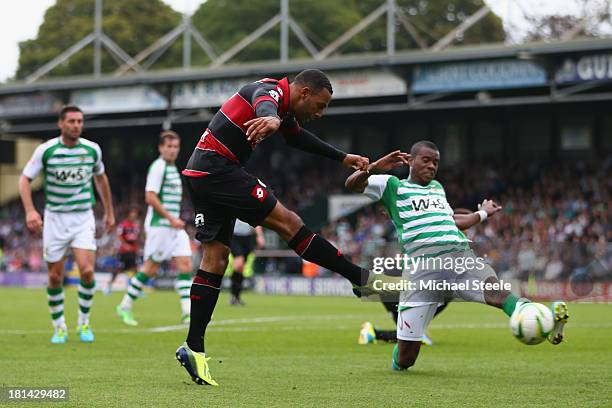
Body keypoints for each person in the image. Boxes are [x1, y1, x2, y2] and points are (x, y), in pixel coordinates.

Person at [175, 69, 389, 386]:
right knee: (290, 224)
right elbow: (265, 105)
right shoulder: (270, 93)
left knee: (216, 257)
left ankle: (194, 347)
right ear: (303, 93)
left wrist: (342, 157)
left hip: (201, 173)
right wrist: (271, 119)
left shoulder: (280, 101)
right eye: (319, 105)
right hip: (218, 171)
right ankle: (359, 278)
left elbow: (295, 135)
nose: (319, 113)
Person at [345, 142, 569, 371]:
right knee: (406, 358)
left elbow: (452, 220)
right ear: (411, 161)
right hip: (422, 267)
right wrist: (375, 166)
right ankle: (399, 355)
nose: (432, 166)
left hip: (458, 255)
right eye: (426, 160)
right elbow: (351, 184)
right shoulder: (391, 185)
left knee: (495, 291)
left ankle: (539, 317)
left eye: (436, 162)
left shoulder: (437, 188)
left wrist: (483, 213)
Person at [19, 105, 115, 344]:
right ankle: (59, 327)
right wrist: (30, 210)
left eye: (80, 121)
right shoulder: (46, 150)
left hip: (83, 217)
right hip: (55, 219)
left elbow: (101, 178)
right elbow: (24, 179)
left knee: (88, 271)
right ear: (61, 124)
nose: (76, 125)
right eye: (71, 121)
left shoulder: (92, 150)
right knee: (54, 276)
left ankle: (84, 323)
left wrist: (109, 211)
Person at [116, 131, 194, 326]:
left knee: (185, 265)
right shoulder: (158, 167)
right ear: (161, 148)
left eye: (175, 147)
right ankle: (124, 305)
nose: (172, 150)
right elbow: (150, 197)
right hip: (160, 226)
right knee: (150, 269)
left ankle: (187, 313)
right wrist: (170, 218)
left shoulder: (172, 168)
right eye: (169, 146)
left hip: (174, 227)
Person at [228, 219, 265, 306]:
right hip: (234, 237)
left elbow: (255, 219)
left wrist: (260, 235)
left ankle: (236, 296)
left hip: (247, 238)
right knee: (239, 264)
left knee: (241, 268)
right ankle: (234, 294)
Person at [105, 207, 141, 294]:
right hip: (124, 251)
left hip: (132, 251)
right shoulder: (123, 225)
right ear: (129, 215)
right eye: (132, 213)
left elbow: (136, 238)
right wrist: (125, 245)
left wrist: (137, 249)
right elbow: (120, 237)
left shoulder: (136, 226)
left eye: (135, 214)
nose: (134, 215)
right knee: (119, 270)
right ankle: (108, 287)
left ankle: (136, 290)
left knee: (135, 270)